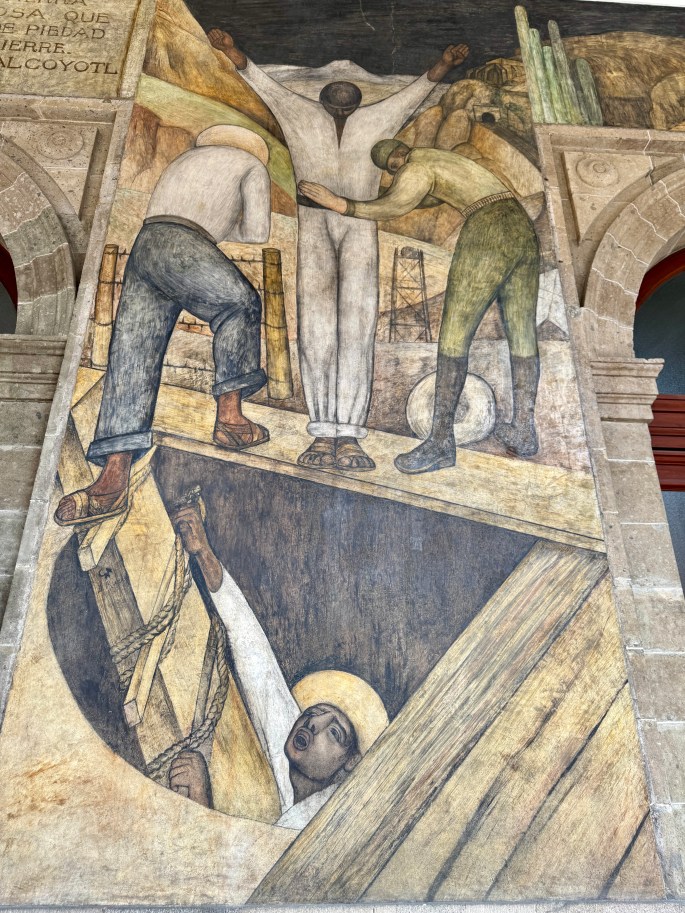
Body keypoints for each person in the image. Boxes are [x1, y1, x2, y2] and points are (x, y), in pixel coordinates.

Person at [208, 28, 469, 472]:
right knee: (315, 323)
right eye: (337, 104)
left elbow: (414, 94)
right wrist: (232, 51)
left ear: (356, 105)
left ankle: (349, 435)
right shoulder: (299, 111)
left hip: (359, 225)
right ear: (326, 102)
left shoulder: (376, 118)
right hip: (313, 226)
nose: (342, 109)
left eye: (348, 105)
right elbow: (262, 83)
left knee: (358, 322)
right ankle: (321, 431)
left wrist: (445, 64)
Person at [55, 126, 273, 527]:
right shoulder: (251, 165)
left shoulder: (184, 161)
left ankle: (111, 482)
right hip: (184, 244)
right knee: (240, 303)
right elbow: (257, 232)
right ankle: (231, 419)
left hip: (147, 244)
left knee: (133, 355)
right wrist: (224, 229)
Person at [299, 140, 541, 475]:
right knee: (523, 334)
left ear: (397, 159)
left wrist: (340, 204)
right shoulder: (441, 160)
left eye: (393, 169)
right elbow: (420, 197)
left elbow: (398, 203)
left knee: (454, 336)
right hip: (520, 226)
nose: (397, 173)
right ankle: (525, 431)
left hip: (489, 230)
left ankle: (440, 442)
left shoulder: (416, 165)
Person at [168, 501, 389, 829]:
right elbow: (254, 654)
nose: (311, 725)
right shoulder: (297, 762)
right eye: (313, 713)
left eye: (334, 733)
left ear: (350, 763)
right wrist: (203, 553)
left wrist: (200, 798)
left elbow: (262, 859)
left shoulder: (328, 820)